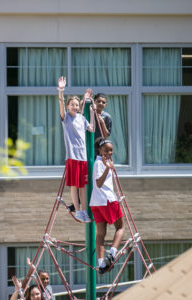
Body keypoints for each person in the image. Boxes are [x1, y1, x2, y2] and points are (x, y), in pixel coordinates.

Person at [58, 76, 95, 223]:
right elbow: (61, 102)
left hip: (83, 157)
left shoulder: (81, 118)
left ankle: (84, 211)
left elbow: (91, 129)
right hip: (72, 156)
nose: (74, 106)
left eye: (76, 104)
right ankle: (78, 211)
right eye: (71, 104)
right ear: (68, 107)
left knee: (83, 186)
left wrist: (91, 112)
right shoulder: (66, 118)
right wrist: (61, 90)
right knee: (74, 185)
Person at [89, 138, 125, 274]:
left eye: (111, 150)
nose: (110, 152)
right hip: (107, 200)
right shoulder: (100, 163)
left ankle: (101, 264)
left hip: (96, 203)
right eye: (106, 150)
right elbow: (98, 183)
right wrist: (107, 169)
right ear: (99, 150)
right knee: (121, 227)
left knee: (101, 234)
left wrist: (110, 167)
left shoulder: (103, 162)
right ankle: (112, 253)